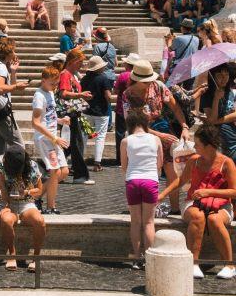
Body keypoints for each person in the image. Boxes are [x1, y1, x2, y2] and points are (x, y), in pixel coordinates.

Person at [159, 124, 236, 280]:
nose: (194, 147)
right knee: (197, 217)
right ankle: (193, 263)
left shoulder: (226, 163)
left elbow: (234, 191)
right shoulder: (194, 160)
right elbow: (181, 180)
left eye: (198, 144)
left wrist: (208, 192)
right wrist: (162, 195)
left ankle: (229, 264)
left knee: (214, 219)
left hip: (221, 204)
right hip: (193, 202)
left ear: (208, 146)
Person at [122, 59, 191, 212]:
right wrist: (158, 135)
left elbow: (175, 107)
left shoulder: (158, 86)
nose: (148, 83)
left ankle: (174, 208)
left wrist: (184, 126)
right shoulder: (128, 94)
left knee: (170, 168)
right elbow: (131, 122)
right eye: (144, 81)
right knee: (147, 169)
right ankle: (143, 205)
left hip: (162, 127)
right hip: (140, 133)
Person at [120, 111, 163, 266]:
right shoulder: (156, 139)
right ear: (146, 124)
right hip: (150, 180)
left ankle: (137, 258)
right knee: (149, 222)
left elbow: (124, 166)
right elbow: (160, 163)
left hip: (132, 181)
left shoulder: (126, 141)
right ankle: (149, 259)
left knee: (135, 222)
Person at [0, 145, 45, 272]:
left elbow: (39, 190)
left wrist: (27, 192)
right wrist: (6, 203)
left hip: (26, 203)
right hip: (10, 202)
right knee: (6, 220)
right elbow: (2, 185)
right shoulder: (2, 161)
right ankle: (12, 254)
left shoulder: (32, 166)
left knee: (39, 221)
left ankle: (36, 257)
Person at [31, 65, 69, 213]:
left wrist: (60, 121)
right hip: (45, 139)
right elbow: (35, 122)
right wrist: (54, 138)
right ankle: (51, 207)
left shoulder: (50, 93)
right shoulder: (39, 96)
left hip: (52, 137)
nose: (54, 86)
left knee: (63, 172)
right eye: (52, 83)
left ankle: (36, 196)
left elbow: (48, 116)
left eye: (56, 84)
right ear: (43, 80)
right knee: (54, 171)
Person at [57, 48, 94, 185]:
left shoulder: (71, 74)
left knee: (73, 144)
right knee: (76, 144)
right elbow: (63, 93)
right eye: (80, 62)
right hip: (69, 114)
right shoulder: (66, 74)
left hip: (74, 113)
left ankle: (48, 167)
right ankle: (80, 175)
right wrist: (81, 95)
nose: (81, 65)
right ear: (72, 61)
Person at [81, 55, 112, 172]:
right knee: (100, 136)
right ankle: (97, 163)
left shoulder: (84, 79)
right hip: (101, 112)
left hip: (86, 111)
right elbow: (108, 96)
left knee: (84, 135)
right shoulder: (103, 79)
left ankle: (80, 161)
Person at [201, 64, 236, 162]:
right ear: (213, 77)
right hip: (219, 141)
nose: (224, 78)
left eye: (226, 74)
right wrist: (216, 99)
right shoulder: (206, 95)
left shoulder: (230, 92)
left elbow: (235, 115)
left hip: (233, 137)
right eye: (220, 75)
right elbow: (211, 119)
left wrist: (216, 121)